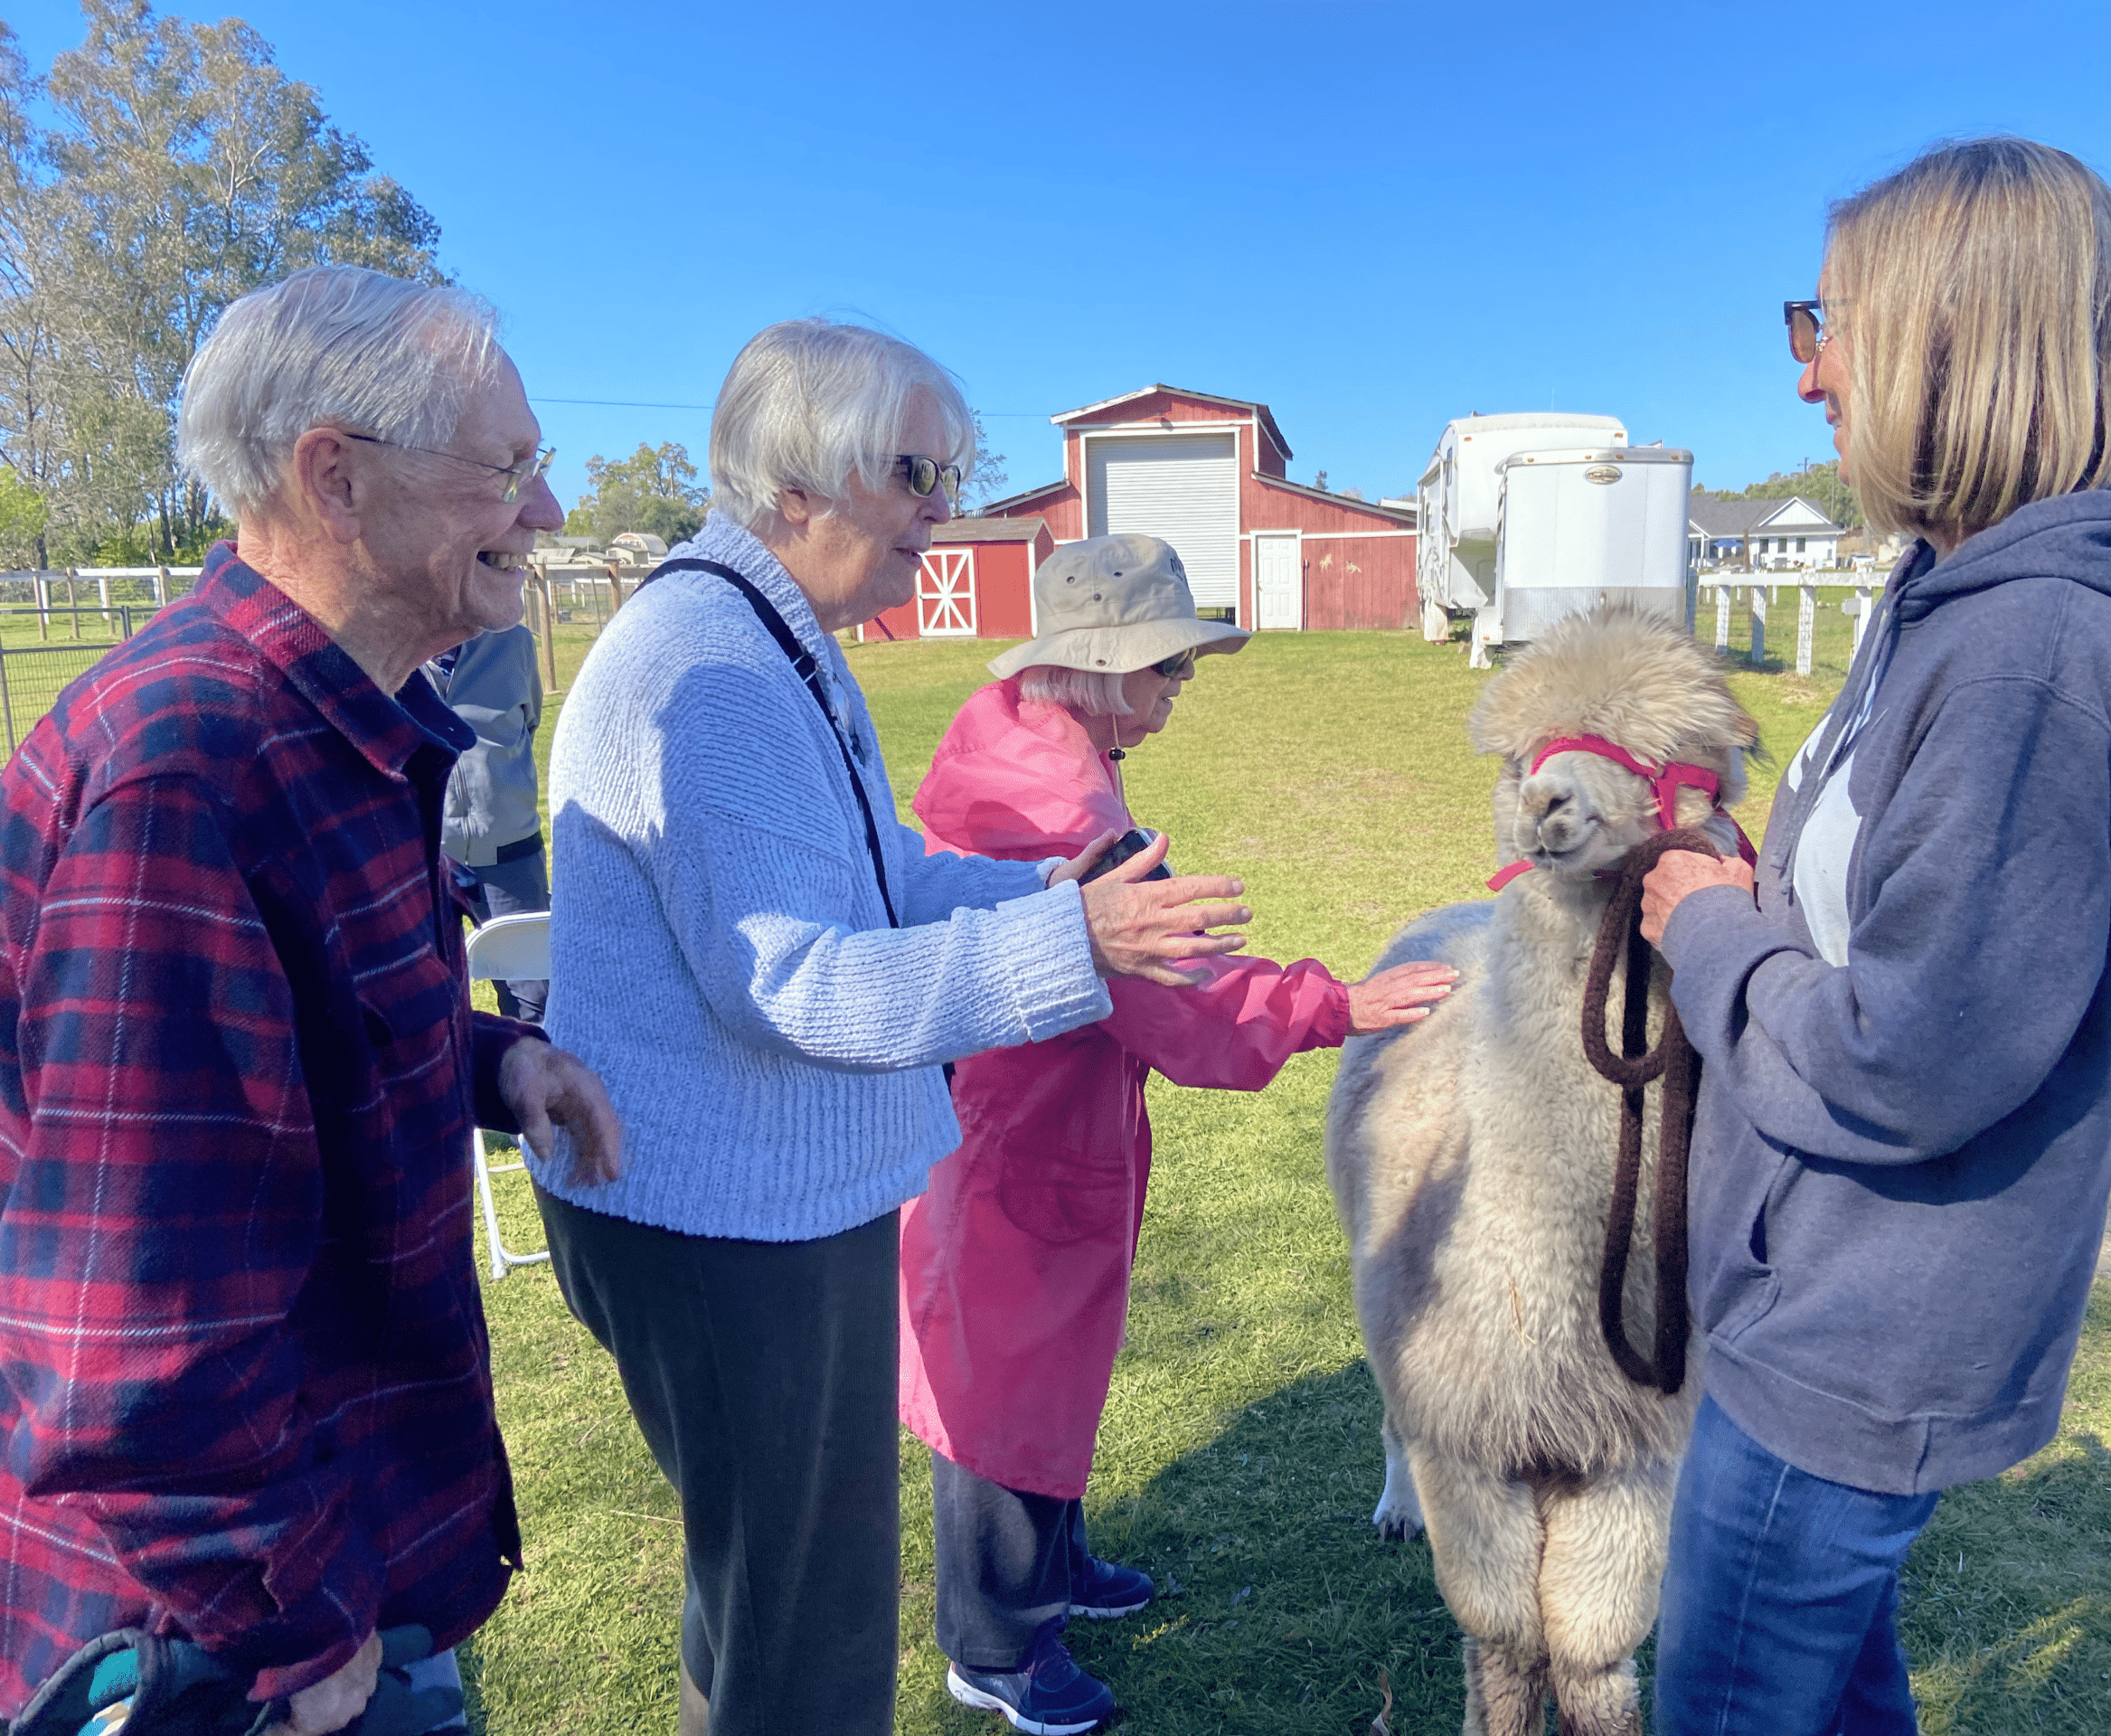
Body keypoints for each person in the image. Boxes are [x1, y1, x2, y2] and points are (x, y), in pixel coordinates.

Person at [532, 321, 1253, 1736]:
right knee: (807, 1640)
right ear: (795, 483)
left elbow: (880, 875)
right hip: (727, 1231)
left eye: (952, 471)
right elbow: (796, 984)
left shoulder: (771, 634)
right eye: (919, 471)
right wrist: (1075, 941)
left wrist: (1042, 887)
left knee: (765, 1603)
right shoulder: (724, 668)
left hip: (760, 1211)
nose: (944, 509)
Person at [1637, 138, 2111, 1733]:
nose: (1812, 374)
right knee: (1835, 1699)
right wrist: (1756, 887)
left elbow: (1911, 1054)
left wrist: (1705, 937)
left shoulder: (2031, 651)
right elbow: (1892, 916)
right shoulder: (1955, 601)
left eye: (1827, 323)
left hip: (1853, 1336)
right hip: (1833, 1293)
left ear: (1952, 336)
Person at [0, 266, 623, 1734]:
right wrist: (286, 1637)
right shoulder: (191, 772)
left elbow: (291, 1045)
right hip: (230, 1638)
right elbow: (126, 1330)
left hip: (338, 1553)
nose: (542, 512)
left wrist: (498, 1067)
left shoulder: (326, 730)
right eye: (509, 467)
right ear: (335, 477)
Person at [898, 532, 1457, 1734]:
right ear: (1102, 667)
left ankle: (1051, 1573)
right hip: (1022, 1129)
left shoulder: (1035, 747)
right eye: (1169, 668)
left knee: (1040, 1359)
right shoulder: (1059, 805)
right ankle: (993, 1645)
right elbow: (1177, 999)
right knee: (998, 1379)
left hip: (1035, 1114)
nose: (1179, 690)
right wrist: (1339, 1005)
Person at [428, 620, 551, 1022]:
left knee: (534, 994)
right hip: (427, 857)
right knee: (429, 996)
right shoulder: (395, 650)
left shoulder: (513, 641)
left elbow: (528, 723)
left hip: (511, 851)